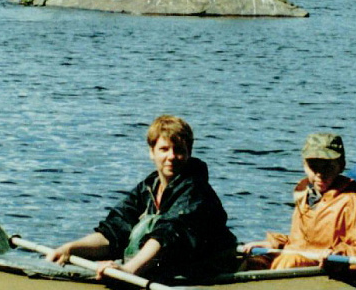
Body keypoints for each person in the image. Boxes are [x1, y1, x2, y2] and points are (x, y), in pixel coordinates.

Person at [47, 115, 237, 281]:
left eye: (179, 150)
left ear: (189, 153)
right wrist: (70, 249)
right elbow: (113, 231)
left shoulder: (196, 191)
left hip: (205, 271)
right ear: (152, 152)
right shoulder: (147, 189)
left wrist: (129, 270)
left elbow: (169, 234)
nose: (171, 156)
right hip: (151, 268)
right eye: (164, 149)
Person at [241, 133, 356, 270]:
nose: (320, 174)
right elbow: (299, 243)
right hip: (295, 259)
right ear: (304, 165)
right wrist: (272, 244)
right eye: (314, 166)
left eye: (327, 166)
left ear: (340, 165)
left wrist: (338, 255)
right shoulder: (304, 195)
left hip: (323, 266)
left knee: (290, 261)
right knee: (250, 260)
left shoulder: (352, 200)